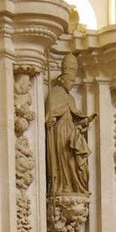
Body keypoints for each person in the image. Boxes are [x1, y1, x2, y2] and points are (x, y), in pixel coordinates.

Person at [45, 53, 94, 196]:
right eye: (70, 81)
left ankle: (74, 185)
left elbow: (75, 115)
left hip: (71, 133)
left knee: (74, 161)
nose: (72, 84)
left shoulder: (71, 98)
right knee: (63, 159)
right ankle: (62, 185)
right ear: (63, 79)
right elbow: (50, 113)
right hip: (60, 133)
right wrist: (50, 119)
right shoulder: (55, 93)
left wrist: (84, 121)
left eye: (73, 81)